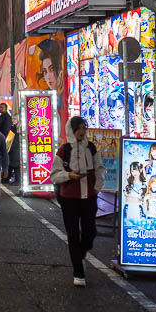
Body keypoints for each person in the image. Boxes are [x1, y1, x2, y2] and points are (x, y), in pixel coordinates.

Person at [50, 115, 105, 287]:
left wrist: (97, 187)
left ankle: (80, 254)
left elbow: (99, 169)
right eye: (78, 128)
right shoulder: (64, 150)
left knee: (90, 232)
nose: (82, 131)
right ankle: (78, 272)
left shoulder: (91, 148)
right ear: (71, 130)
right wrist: (69, 175)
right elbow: (54, 175)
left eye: (83, 128)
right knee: (73, 235)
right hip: (69, 199)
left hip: (89, 197)